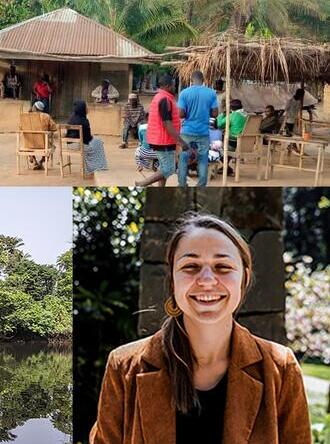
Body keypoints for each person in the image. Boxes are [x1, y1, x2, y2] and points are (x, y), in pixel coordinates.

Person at [90, 213, 311, 444]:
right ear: (173, 279)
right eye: (191, 266)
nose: (207, 280)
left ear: (244, 278)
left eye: (223, 266)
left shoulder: (280, 368)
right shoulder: (124, 366)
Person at [136, 74, 189, 187]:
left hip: (160, 139)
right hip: (164, 140)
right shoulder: (164, 99)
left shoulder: (160, 97)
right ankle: (142, 183)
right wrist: (181, 141)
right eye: (173, 85)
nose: (174, 88)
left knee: (163, 167)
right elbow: (167, 123)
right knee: (169, 169)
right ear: (167, 86)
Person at [177, 71, 219, 187]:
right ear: (203, 80)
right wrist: (206, 112)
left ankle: (182, 185)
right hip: (203, 132)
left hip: (187, 131)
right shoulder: (211, 93)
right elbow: (215, 113)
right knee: (203, 160)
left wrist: (189, 113)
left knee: (183, 159)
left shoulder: (184, 93)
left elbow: (180, 114)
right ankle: (201, 185)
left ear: (191, 80)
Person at [66, 100, 108, 178]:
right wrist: (93, 138)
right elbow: (87, 139)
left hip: (69, 145)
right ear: (82, 109)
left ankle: (93, 167)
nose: (87, 109)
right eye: (86, 107)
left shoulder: (71, 118)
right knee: (98, 143)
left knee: (96, 142)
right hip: (79, 145)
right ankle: (95, 167)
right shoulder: (84, 121)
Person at [21, 101, 57, 170]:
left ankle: (34, 160)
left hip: (30, 144)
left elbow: (20, 128)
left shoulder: (25, 116)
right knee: (52, 147)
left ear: (34, 107)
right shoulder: (46, 116)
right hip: (43, 144)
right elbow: (54, 128)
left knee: (27, 142)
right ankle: (41, 162)